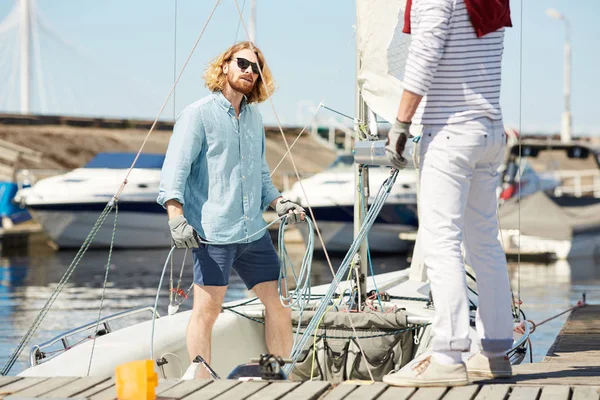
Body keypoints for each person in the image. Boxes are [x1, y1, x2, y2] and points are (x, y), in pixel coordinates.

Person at [382, 0, 514, 387]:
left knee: (441, 241)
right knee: (484, 243)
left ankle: (448, 353)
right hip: (490, 128)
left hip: (452, 131)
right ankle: (494, 352)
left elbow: (424, 56)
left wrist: (401, 125)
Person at [157, 41, 305, 379]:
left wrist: (280, 202)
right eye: (243, 64)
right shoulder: (197, 114)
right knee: (206, 312)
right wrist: (175, 216)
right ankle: (203, 381)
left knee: (279, 305)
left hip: (253, 232)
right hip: (213, 233)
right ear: (225, 66)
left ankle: (279, 375)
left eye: (256, 68)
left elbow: (261, 175)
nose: (250, 72)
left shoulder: (254, 118)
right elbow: (174, 171)